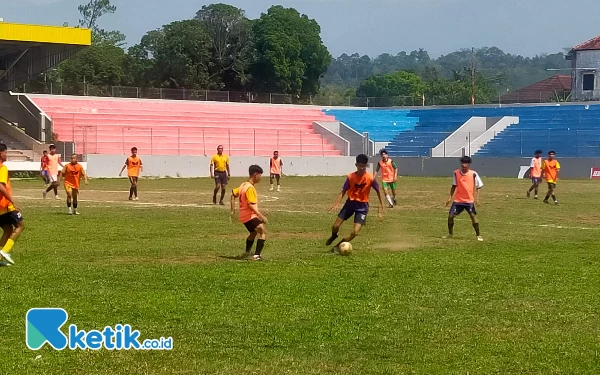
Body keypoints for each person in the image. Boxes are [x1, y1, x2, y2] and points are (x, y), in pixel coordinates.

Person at [326, 154, 384, 253]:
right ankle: (333, 236)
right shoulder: (350, 177)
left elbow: (379, 191)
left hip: (362, 207)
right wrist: (336, 203)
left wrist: (381, 208)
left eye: (364, 166)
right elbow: (343, 191)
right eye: (359, 165)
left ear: (366, 166)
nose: (361, 168)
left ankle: (338, 245)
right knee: (335, 226)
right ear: (356, 165)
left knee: (355, 232)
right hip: (350, 204)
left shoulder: (370, 178)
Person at [231, 165, 268, 261]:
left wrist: (232, 211)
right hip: (249, 216)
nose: (260, 178)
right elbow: (250, 205)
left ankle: (247, 252)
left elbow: (233, 194)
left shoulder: (243, 185)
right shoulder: (250, 188)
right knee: (262, 232)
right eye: (260, 175)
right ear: (255, 175)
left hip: (243, 216)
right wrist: (261, 216)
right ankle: (256, 256)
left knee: (253, 233)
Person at [445, 156, 484, 241]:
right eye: (462, 163)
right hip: (458, 200)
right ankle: (450, 234)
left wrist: (477, 198)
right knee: (450, 216)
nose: (463, 164)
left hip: (469, 200)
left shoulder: (473, 174)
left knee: (473, 216)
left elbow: (479, 186)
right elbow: (454, 186)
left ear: (469, 164)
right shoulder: (456, 173)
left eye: (465, 163)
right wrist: (449, 197)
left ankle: (478, 235)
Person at [0, 144, 25, 266]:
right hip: (5, 205)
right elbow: (1, 187)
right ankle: (4, 251)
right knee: (20, 225)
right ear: (1, 154)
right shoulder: (2, 168)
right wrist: (13, 201)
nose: (6, 155)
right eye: (5, 153)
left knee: (8, 229)